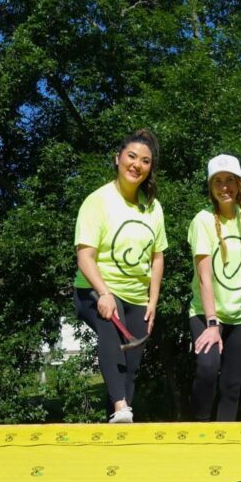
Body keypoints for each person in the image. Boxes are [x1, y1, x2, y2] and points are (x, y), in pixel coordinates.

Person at [73, 129, 167, 424]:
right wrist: (104, 293)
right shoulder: (97, 201)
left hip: (138, 298)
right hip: (95, 290)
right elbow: (85, 256)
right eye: (131, 156)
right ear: (118, 159)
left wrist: (152, 301)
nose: (137, 164)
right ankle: (119, 406)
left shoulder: (152, 207)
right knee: (111, 331)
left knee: (130, 363)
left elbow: (158, 256)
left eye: (145, 160)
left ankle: (119, 420)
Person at [188, 154, 241, 421]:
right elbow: (205, 276)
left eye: (229, 180)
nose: (224, 187)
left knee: (232, 386)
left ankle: (223, 440)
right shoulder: (202, 221)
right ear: (211, 187)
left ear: (239, 184)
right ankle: (198, 430)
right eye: (217, 181)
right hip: (205, 314)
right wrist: (212, 324)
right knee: (208, 371)